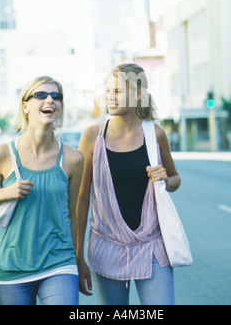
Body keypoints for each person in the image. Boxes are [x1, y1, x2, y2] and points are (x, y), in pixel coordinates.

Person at [0, 76, 83, 305]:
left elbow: (73, 214)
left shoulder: (73, 158)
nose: (50, 99)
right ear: (25, 106)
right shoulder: (2, 154)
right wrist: (2, 193)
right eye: (41, 95)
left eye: (56, 96)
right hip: (11, 269)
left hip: (59, 263)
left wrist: (79, 259)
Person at [76, 63, 181, 305]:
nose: (109, 97)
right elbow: (81, 199)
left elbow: (175, 179)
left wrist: (165, 177)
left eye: (118, 91)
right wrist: (78, 255)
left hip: (152, 245)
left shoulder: (155, 134)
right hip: (106, 244)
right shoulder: (92, 136)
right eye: (107, 90)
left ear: (138, 94)